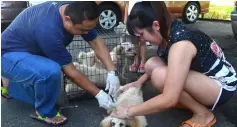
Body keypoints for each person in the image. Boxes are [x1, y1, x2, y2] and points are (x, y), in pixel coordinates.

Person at [111, 1, 237, 127]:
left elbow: (169, 100)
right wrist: (138, 83)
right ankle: (189, 101)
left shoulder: (180, 45)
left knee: (161, 76)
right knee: (151, 64)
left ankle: (203, 114)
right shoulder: (169, 30)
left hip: (221, 87)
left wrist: (128, 111)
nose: (141, 40)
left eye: (141, 34)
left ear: (155, 25)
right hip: (206, 79)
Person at [1, 1, 120, 125]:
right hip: (6, 54)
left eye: (89, 29)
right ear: (67, 19)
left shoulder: (75, 10)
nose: (86, 33)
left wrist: (112, 72)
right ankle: (44, 112)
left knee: (42, 89)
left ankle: (9, 83)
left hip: (28, 49)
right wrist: (99, 94)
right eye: (83, 30)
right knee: (50, 71)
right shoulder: (49, 31)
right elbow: (70, 70)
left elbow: (95, 41)